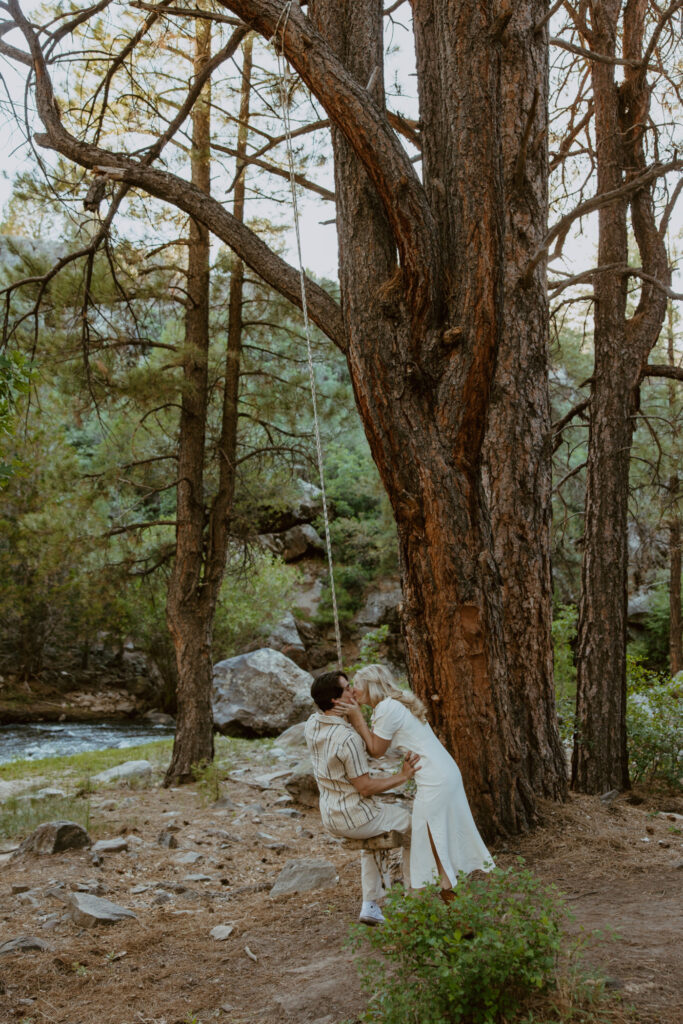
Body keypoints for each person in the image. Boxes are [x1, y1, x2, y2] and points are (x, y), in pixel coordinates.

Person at [334, 664, 493, 903]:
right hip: (441, 774)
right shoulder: (392, 705)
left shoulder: (387, 707)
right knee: (435, 840)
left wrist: (357, 718)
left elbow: (376, 750)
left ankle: (451, 912)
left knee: (433, 841)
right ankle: (453, 909)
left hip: (435, 780)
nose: (353, 691)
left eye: (356, 684)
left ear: (371, 685)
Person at [305, 669, 419, 926]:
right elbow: (366, 787)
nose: (353, 691)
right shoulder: (347, 739)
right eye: (347, 688)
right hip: (355, 817)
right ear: (336, 701)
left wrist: (354, 715)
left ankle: (371, 905)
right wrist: (402, 776)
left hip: (331, 816)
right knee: (415, 825)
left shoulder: (312, 724)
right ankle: (415, 899)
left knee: (374, 835)